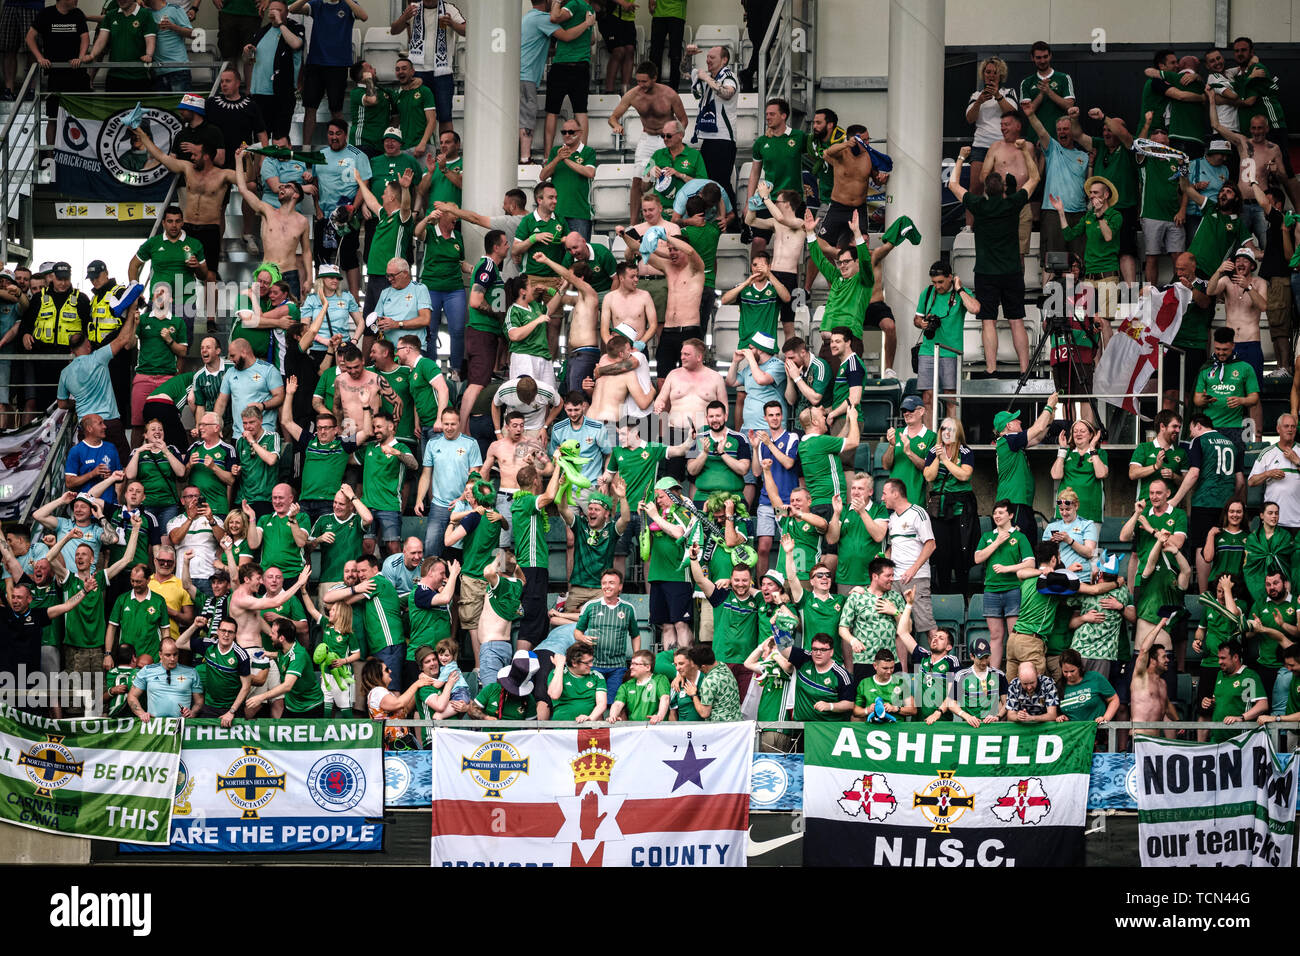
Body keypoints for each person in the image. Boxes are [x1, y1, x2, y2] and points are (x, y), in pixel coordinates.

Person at [949, 139, 1040, 374]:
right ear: (1003, 188)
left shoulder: (978, 205)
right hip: (1011, 272)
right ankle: (1024, 369)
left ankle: (991, 369)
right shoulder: (1013, 203)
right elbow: (1035, 179)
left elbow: (952, 184)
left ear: (987, 191)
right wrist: (1025, 152)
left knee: (987, 321)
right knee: (1016, 320)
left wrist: (961, 158)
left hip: (986, 273)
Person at [608, 62, 688, 223]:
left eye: (644, 81)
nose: (640, 85)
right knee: (637, 180)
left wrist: (675, 138)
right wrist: (616, 126)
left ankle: (670, 219)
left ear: (654, 78)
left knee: (666, 178)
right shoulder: (633, 94)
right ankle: (633, 224)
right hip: (647, 139)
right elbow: (613, 117)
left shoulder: (669, 94)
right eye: (638, 81)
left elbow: (683, 120)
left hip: (666, 140)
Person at [912, 259, 977, 425]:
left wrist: (960, 288)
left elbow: (975, 308)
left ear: (951, 277)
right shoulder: (927, 293)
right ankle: (930, 438)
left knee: (950, 397)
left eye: (941, 282)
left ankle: (951, 436)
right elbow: (916, 318)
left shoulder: (960, 292)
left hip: (951, 351)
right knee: (927, 396)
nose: (937, 286)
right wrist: (922, 323)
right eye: (934, 282)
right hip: (927, 350)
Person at [1169, 413, 1245, 553]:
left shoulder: (1200, 441)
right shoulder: (1232, 444)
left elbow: (1194, 473)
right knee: (1222, 546)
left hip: (1205, 502)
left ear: (1198, 425)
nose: (1191, 435)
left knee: (1202, 545)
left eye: (1191, 430)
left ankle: (1203, 577)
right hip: (1227, 505)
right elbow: (1240, 481)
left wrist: (1175, 500)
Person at [992, 394, 1060, 542]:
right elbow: (1037, 428)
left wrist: (1049, 420)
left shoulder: (1013, 442)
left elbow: (1037, 437)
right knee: (1017, 547)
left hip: (1021, 503)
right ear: (1008, 426)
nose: (1020, 421)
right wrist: (1048, 405)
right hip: (1012, 504)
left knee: (1028, 545)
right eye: (1016, 419)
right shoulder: (1008, 440)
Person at [922, 416, 976, 595]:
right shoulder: (933, 451)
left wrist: (946, 460)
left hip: (961, 509)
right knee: (942, 555)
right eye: (943, 428)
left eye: (950, 429)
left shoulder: (965, 451)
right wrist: (938, 457)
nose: (946, 432)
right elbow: (929, 476)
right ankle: (944, 597)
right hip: (940, 509)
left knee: (961, 554)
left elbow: (964, 475)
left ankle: (963, 596)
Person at [928, 636, 1008, 725]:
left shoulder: (999, 675)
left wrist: (997, 716)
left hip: (992, 726)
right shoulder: (962, 676)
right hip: (969, 727)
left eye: (987, 657)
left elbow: (1006, 702)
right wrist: (967, 717)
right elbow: (951, 703)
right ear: (972, 656)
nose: (984, 662)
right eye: (980, 658)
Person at [1201, 638, 1267, 742]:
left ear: (1235, 657)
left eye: (1223, 658)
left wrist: (1241, 717)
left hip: (1240, 741)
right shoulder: (1220, 674)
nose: (1219, 662)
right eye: (1218, 658)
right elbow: (1220, 701)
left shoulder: (1249, 676)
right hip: (1216, 738)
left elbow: (1262, 705)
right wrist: (1210, 702)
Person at [541, 120, 597, 240]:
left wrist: (565, 160)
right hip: (556, 213)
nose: (567, 135)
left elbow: (590, 172)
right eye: (564, 132)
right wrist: (558, 158)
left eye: (571, 132)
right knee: (557, 254)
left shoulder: (588, 152)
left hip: (580, 213)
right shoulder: (556, 151)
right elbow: (543, 176)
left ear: (580, 133)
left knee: (579, 254)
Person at [127, 637, 202, 720]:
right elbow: (132, 696)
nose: (172, 659)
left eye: (175, 654)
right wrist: (141, 713)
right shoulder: (147, 671)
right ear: (160, 654)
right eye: (168, 655)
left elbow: (199, 701)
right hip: (155, 726)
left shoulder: (191, 672)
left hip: (181, 725)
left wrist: (192, 713)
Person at [1248, 415, 1300, 531]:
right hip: (1273, 520)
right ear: (1278, 429)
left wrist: (1296, 460)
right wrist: (1268, 474)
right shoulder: (1268, 453)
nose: (1290, 429)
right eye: (1286, 426)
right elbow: (1251, 481)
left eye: (1293, 426)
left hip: (1297, 520)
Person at [197, 619, 252, 725]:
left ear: (235, 634)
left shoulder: (241, 655)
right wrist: (195, 625)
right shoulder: (208, 646)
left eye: (230, 632)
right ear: (217, 631)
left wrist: (231, 711)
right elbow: (180, 643)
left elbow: (246, 686)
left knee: (236, 741)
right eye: (223, 630)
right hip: (210, 705)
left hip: (232, 708)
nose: (226, 635)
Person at [548, 642, 607, 721]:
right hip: (563, 726)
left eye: (591, 660)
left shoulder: (596, 676)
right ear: (574, 663)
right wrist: (559, 666)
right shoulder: (557, 673)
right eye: (587, 662)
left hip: (589, 726)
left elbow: (601, 704)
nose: (591, 665)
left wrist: (589, 719)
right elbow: (554, 695)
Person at [852, 647, 915, 721]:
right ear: (875, 666)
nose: (889, 671)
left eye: (892, 667)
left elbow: (913, 710)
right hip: (872, 727)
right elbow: (855, 711)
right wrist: (868, 710)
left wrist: (895, 709)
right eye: (885, 668)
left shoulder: (901, 682)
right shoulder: (864, 683)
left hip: (896, 727)